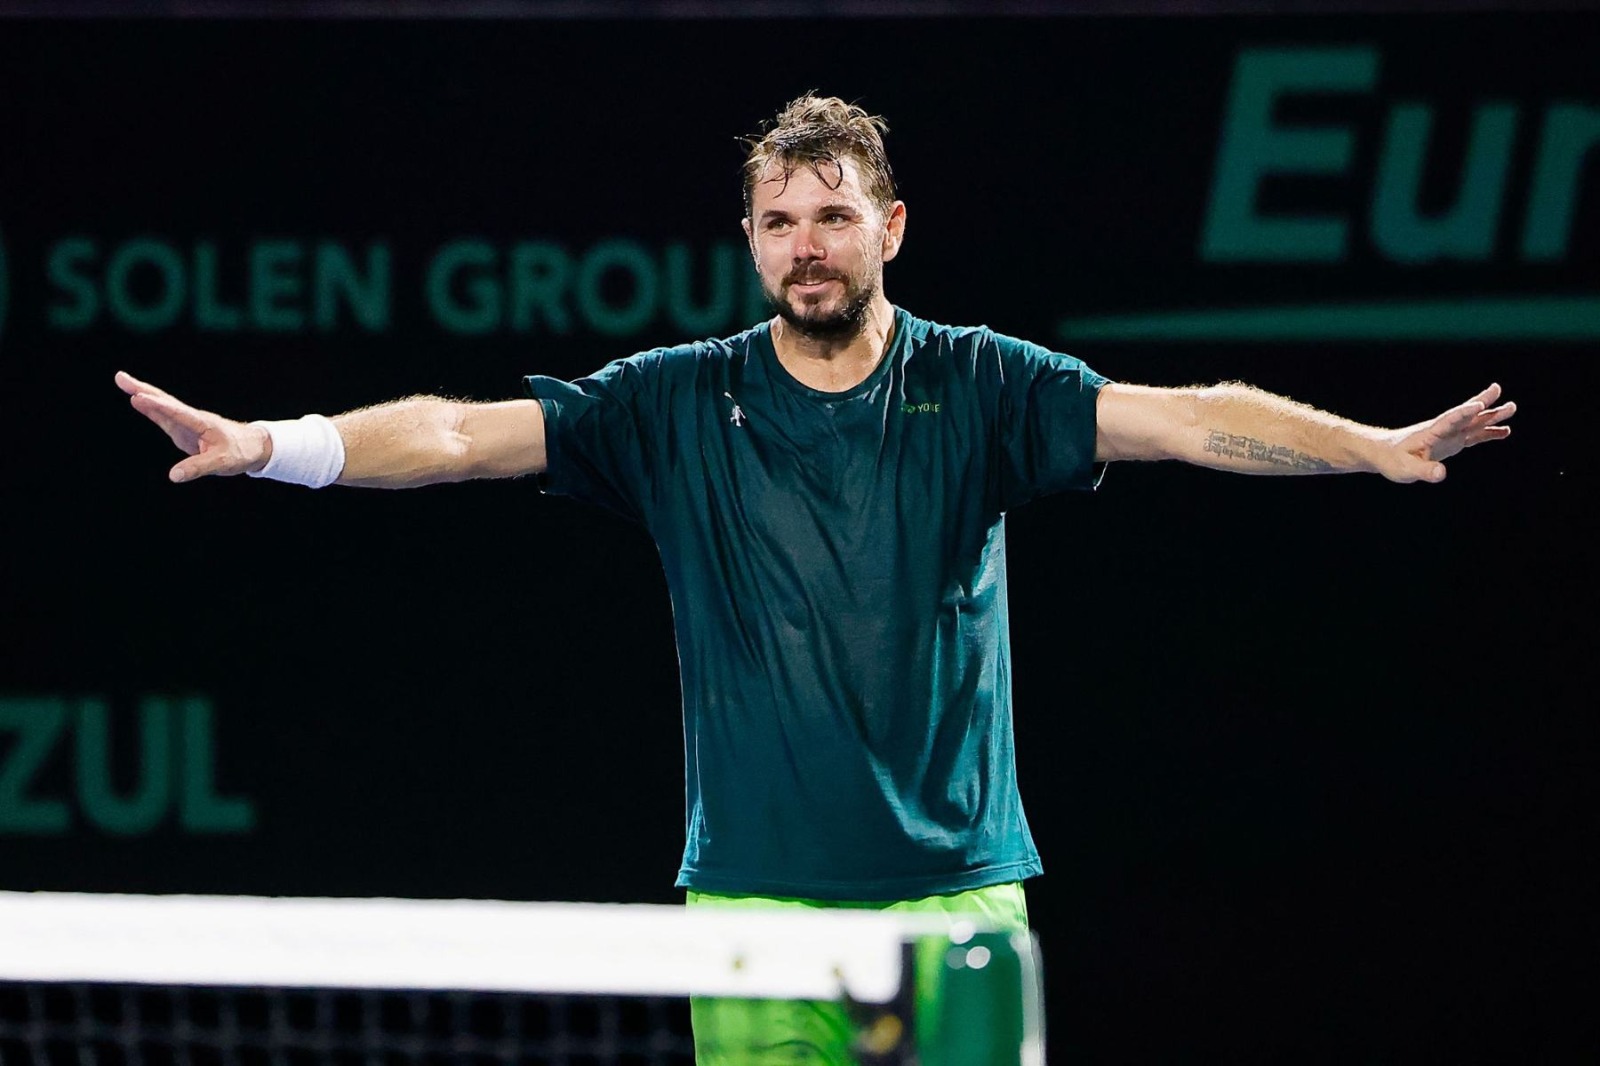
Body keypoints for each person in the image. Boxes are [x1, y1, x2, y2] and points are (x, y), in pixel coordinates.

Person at [119, 95, 1515, 1065]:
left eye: (833, 216)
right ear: (750, 239)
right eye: (780, 220)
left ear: (889, 228)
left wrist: (1371, 447)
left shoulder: (985, 383)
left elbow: (1185, 416)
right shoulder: (673, 401)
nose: (807, 244)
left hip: (957, 905)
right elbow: (457, 435)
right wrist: (274, 446)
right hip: (754, 909)